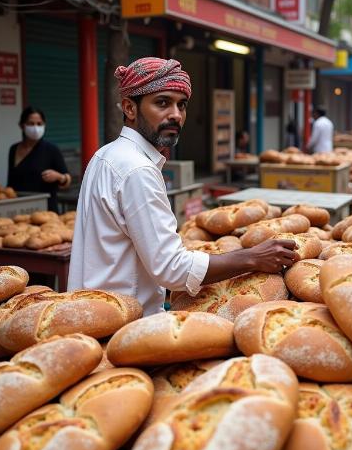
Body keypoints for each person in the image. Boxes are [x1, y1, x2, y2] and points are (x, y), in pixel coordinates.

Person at [68, 57, 297, 316]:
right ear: (130, 109)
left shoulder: (107, 154)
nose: (176, 115)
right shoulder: (137, 169)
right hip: (123, 321)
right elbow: (171, 269)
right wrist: (252, 257)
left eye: (182, 105)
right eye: (162, 103)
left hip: (94, 311)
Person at [7, 106, 71, 212]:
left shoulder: (51, 149)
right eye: (31, 124)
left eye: (39, 124)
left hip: (45, 209)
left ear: (44, 125)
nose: (35, 128)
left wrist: (59, 177)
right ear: (22, 125)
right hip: (20, 207)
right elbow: (10, 181)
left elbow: (67, 179)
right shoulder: (14, 149)